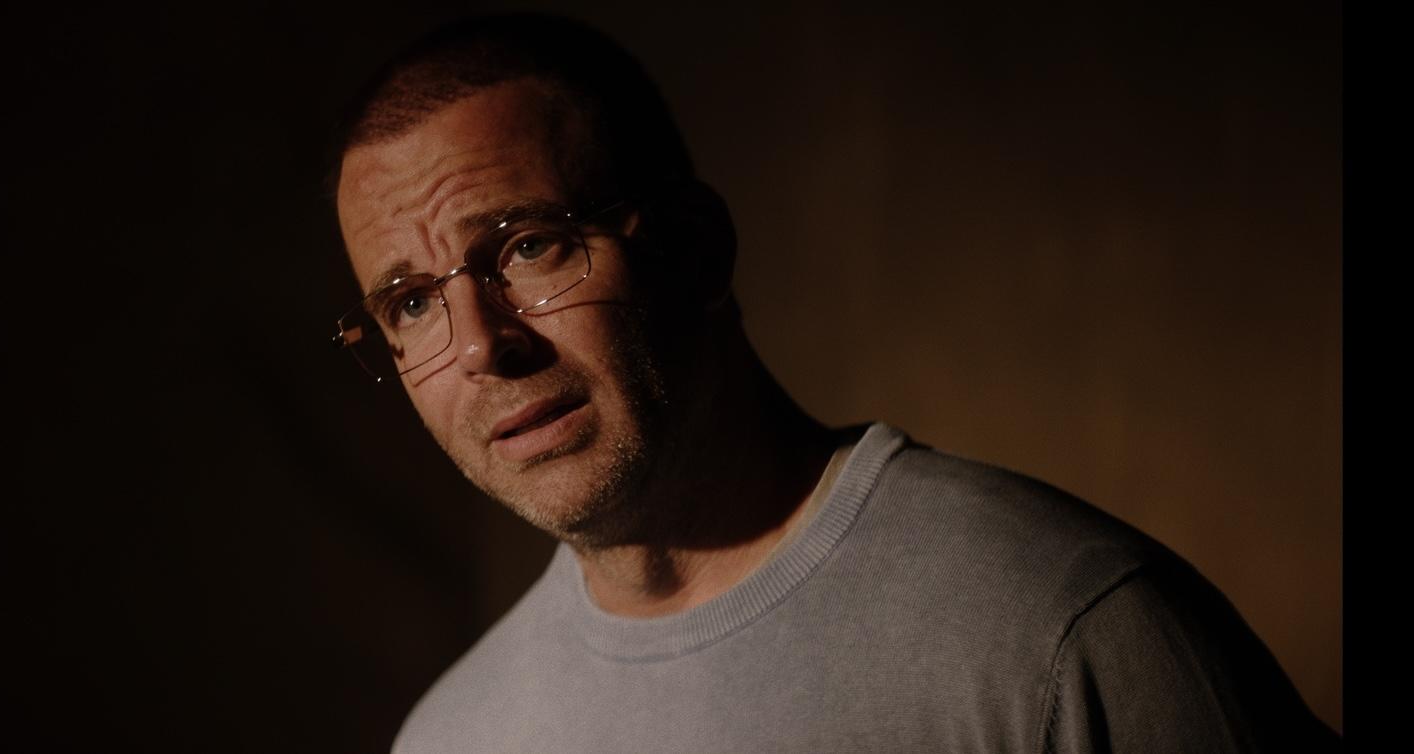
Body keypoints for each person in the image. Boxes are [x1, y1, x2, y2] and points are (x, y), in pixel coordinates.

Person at [326, 13, 1337, 753]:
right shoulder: (452, 736)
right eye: (410, 303)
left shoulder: (1065, 633)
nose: (479, 346)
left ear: (696, 249)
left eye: (529, 246)